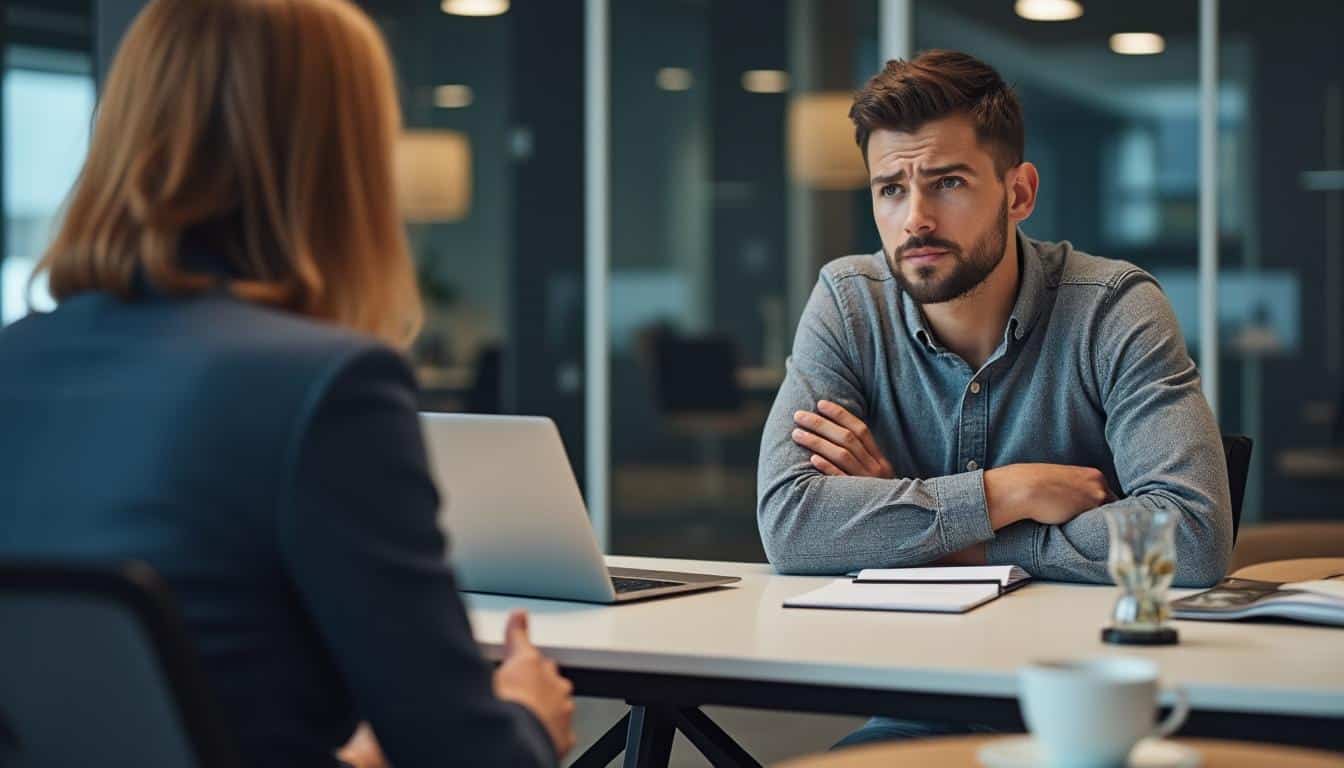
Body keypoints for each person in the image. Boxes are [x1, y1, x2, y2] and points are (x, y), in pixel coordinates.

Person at [0, 1, 573, 766]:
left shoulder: (15, 360)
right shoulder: (327, 385)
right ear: (342, 162)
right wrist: (529, 716)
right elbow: (467, 756)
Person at [757, 50, 1232, 589]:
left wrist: (940, 535)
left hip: (1071, 655)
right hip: (892, 651)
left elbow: (1193, 538)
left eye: (948, 182)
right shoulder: (849, 304)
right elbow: (790, 525)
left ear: (1019, 193)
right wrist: (1007, 494)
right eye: (891, 189)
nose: (915, 219)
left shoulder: (1113, 307)